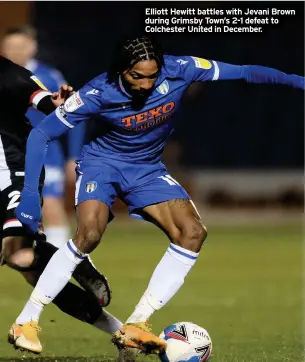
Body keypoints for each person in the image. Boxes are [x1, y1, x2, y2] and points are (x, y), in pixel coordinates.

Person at [14, 35, 304, 355]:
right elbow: (42, 133)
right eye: (138, 76)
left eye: (153, 76)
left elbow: (246, 71)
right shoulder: (97, 92)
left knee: (192, 232)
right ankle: (27, 321)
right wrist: (30, 193)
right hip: (102, 166)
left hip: (147, 169)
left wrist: (295, 80)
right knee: (89, 234)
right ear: (121, 71)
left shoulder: (182, 68)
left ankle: (137, 324)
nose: (147, 84)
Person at [0, 55, 122, 356]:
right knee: (23, 260)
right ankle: (118, 329)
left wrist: (60, 103)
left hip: (13, 169)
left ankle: (30, 322)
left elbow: (47, 102)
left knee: (18, 252)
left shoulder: (10, 75)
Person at [1, 25, 85, 248]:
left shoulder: (48, 76)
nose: (16, 51)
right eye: (11, 46)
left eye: (21, 46)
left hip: (46, 153)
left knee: (49, 205)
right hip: (8, 153)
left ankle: (58, 259)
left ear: (33, 47)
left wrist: (73, 156)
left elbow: (73, 113)